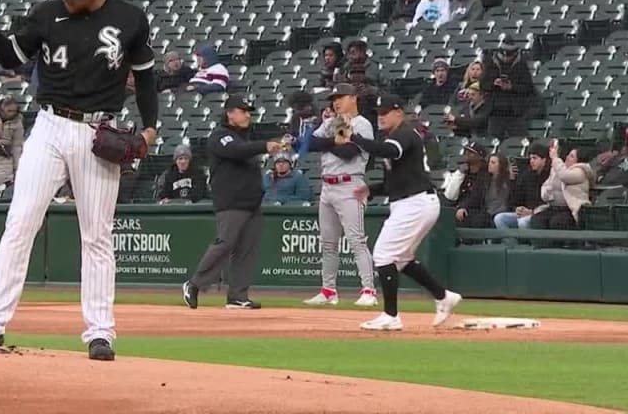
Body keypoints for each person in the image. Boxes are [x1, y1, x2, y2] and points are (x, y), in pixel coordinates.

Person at [0, 0, 159, 361]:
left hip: (98, 131)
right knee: (20, 221)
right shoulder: (47, 13)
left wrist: (151, 125)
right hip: (49, 126)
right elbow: (12, 59)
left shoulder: (130, 17)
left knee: (97, 234)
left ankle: (100, 332)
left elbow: (147, 78)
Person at [341, 94, 462, 330]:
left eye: (385, 112)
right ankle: (444, 296)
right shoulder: (394, 136)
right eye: (378, 112)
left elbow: (390, 151)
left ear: (399, 112)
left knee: (384, 255)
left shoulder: (404, 134)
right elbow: (395, 180)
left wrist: (354, 137)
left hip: (415, 203)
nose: (381, 116)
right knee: (401, 259)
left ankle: (391, 315)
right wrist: (371, 189)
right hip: (412, 201)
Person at [182, 96, 283, 311]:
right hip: (231, 202)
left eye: (249, 111)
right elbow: (236, 151)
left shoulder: (245, 139)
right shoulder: (220, 136)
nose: (247, 114)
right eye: (242, 110)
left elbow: (245, 148)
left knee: (247, 249)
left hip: (252, 203)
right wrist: (265, 145)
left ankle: (238, 295)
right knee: (225, 243)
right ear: (229, 113)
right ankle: (194, 284)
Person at [300, 83, 378, 307]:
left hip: (349, 184)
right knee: (328, 243)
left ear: (353, 98)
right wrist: (334, 140)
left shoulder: (362, 124)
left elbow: (348, 152)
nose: (336, 101)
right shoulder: (331, 122)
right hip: (328, 187)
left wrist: (329, 143)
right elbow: (309, 143)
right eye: (334, 98)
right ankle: (328, 290)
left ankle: (369, 290)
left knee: (356, 240)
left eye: (341, 97)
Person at [480, 38, 536, 139]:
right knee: (493, 140)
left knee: (519, 140)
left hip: (515, 112)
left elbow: (529, 88)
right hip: (495, 111)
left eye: (509, 55)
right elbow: (483, 85)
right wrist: (494, 84)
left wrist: (512, 87)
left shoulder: (521, 65)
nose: (506, 57)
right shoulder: (491, 63)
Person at [534, 142, 594, 229]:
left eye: (572, 156)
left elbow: (564, 176)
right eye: (568, 155)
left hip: (571, 209)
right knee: (537, 220)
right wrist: (548, 195)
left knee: (557, 222)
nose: (567, 157)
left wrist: (555, 158)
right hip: (554, 207)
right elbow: (547, 185)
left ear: (579, 160)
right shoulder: (560, 168)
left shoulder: (581, 172)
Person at [494, 142, 550, 229]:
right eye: (530, 158)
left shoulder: (550, 176)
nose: (531, 161)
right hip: (525, 212)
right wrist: (518, 208)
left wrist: (532, 212)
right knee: (500, 218)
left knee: (523, 222)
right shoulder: (527, 175)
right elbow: (516, 198)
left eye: (535, 158)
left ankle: (529, 243)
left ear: (544, 160)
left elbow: (549, 204)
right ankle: (511, 242)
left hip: (540, 214)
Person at [453, 143, 491, 228]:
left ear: (480, 157)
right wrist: (459, 174)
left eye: (471, 152)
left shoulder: (485, 175)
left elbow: (477, 196)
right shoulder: (464, 173)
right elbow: (451, 195)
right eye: (467, 151)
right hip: (458, 205)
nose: (467, 154)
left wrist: (463, 207)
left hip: (475, 209)